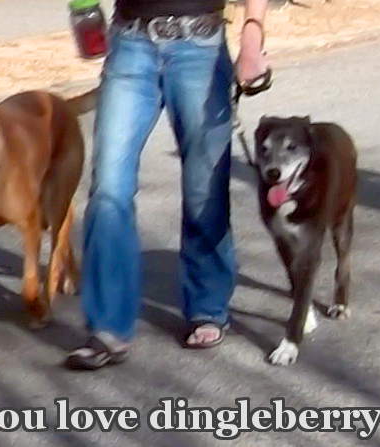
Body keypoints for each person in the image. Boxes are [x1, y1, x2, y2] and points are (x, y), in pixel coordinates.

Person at [66, 0, 269, 369]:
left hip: (201, 46)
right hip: (130, 43)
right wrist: (83, 8)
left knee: (204, 187)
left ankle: (207, 307)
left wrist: (252, 37)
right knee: (108, 187)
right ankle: (108, 326)